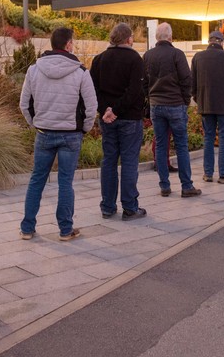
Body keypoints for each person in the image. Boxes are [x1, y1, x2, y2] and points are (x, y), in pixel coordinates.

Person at [19, 27, 97, 240]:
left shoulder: (34, 70)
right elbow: (91, 107)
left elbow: (24, 104)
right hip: (70, 134)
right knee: (65, 181)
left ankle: (27, 228)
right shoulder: (81, 72)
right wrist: (85, 128)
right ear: (68, 44)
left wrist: (35, 123)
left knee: (37, 180)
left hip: (44, 133)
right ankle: (65, 229)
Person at [89, 23, 148, 221]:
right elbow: (135, 91)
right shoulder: (134, 59)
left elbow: (93, 90)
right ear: (128, 39)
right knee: (130, 162)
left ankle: (107, 206)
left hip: (108, 120)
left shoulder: (99, 60)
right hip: (129, 118)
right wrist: (115, 110)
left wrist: (106, 110)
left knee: (109, 161)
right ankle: (130, 207)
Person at [143, 22, 201, 198]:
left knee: (161, 145)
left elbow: (144, 82)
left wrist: (150, 97)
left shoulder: (148, 55)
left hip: (156, 104)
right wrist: (184, 101)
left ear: (156, 37)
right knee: (181, 145)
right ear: (170, 37)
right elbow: (186, 80)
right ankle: (186, 185)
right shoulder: (177, 54)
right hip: (175, 104)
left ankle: (164, 185)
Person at [191, 30, 224, 183]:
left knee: (208, 138)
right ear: (221, 42)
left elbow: (192, 83)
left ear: (209, 42)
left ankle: (208, 174)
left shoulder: (197, 57)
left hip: (206, 104)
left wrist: (198, 99)